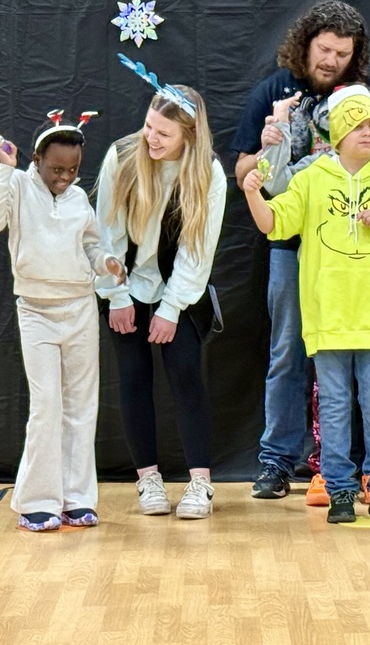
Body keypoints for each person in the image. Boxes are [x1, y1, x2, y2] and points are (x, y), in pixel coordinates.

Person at [230, 0, 370, 501]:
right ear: (305, 44)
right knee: (289, 351)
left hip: (365, 249)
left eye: (342, 53)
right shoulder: (274, 90)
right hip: (293, 243)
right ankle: (276, 461)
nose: (331, 60)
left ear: (356, 55)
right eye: (324, 49)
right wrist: (267, 148)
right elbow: (243, 173)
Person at [242, 84, 370, 523]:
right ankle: (340, 489)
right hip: (328, 319)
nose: (367, 133)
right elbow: (273, 223)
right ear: (339, 130)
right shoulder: (310, 180)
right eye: (358, 125)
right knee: (335, 405)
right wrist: (253, 193)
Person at [0, 112, 125, 531]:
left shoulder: (79, 198)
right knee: (46, 407)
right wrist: (4, 171)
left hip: (78, 308)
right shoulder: (20, 185)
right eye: (56, 168)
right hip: (36, 310)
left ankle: (76, 498)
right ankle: (37, 500)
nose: (64, 177)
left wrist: (107, 263)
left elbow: (93, 247)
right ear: (37, 159)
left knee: (81, 406)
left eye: (73, 169)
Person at [96, 75, 227, 520]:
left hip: (178, 292)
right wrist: (116, 296)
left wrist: (171, 309)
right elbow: (106, 234)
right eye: (149, 126)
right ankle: (148, 480)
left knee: (186, 377)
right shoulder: (122, 155)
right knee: (132, 379)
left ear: (188, 135)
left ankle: (200, 485)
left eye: (163, 133)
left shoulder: (207, 172)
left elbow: (197, 251)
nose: (151, 137)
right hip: (126, 288)